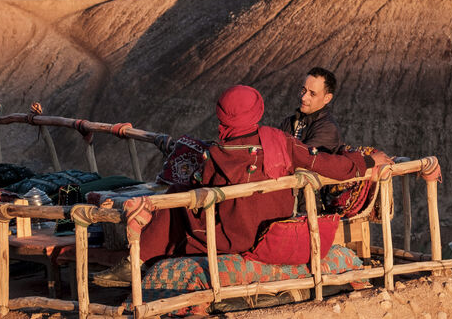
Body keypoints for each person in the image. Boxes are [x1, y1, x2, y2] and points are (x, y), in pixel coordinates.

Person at [93, 85, 391, 286]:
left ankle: (137, 261)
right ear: (257, 111)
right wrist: (366, 161)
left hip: (228, 239)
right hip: (271, 231)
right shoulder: (281, 142)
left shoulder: (213, 154)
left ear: (222, 116)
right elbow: (332, 166)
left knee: (175, 199)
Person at [279, 67, 344, 153]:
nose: (304, 98)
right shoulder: (289, 122)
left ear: (327, 98)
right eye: (303, 90)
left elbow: (303, 156)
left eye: (312, 94)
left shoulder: (328, 130)